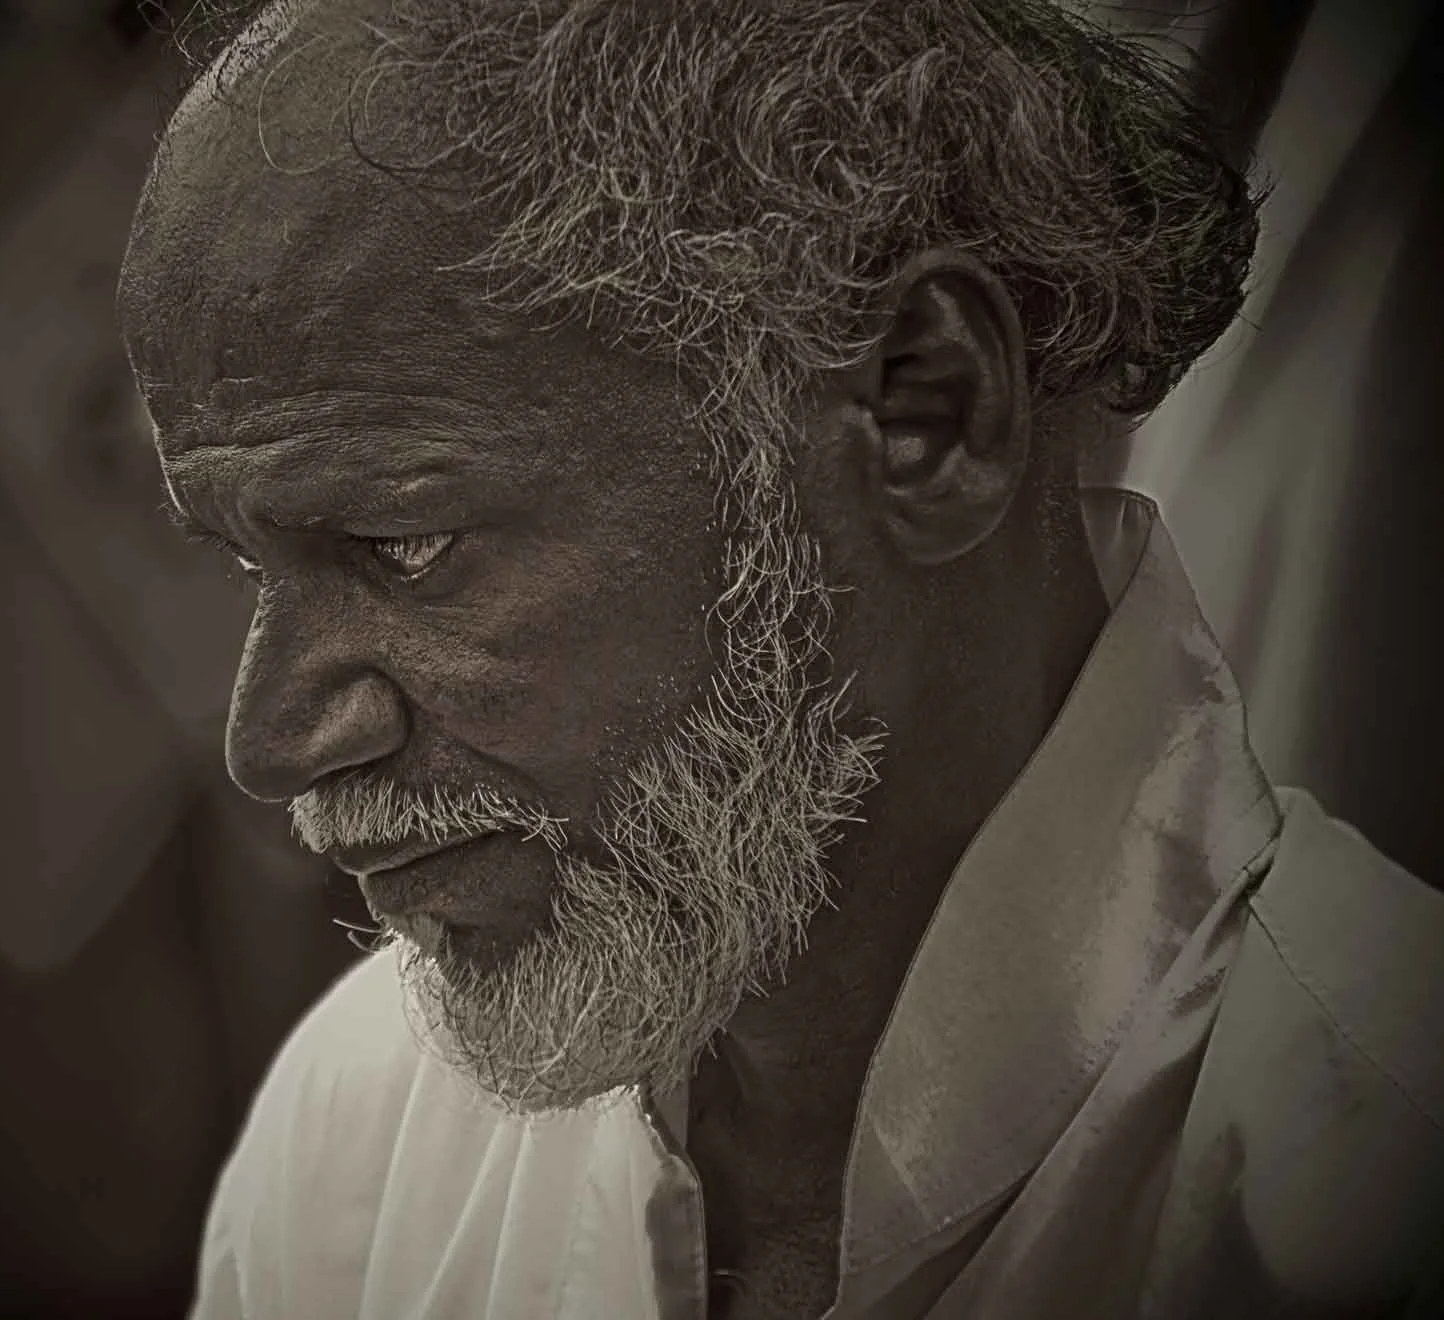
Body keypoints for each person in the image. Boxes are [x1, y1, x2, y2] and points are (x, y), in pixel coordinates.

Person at [112, 1, 1444, 1315]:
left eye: (406, 545)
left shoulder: (1376, 1171)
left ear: (926, 413)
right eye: (250, 567)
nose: (269, 742)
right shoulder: (355, 1149)